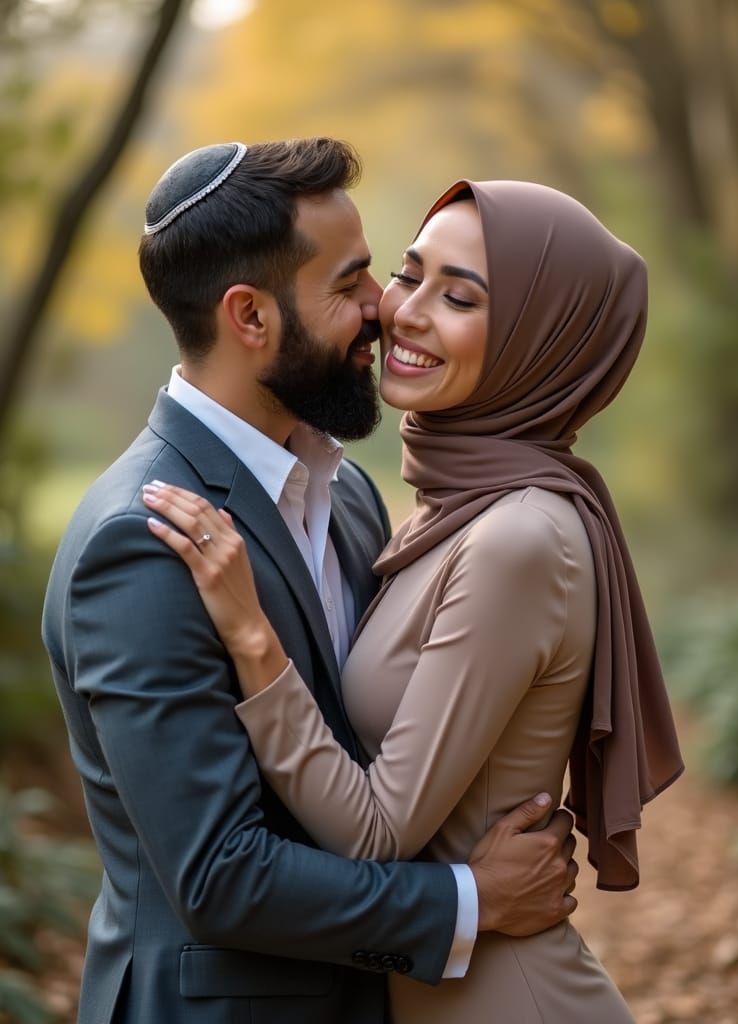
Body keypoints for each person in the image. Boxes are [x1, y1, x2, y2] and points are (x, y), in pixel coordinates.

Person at [42, 140, 580, 1024]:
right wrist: (466, 903)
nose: (385, 310)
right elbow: (220, 876)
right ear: (250, 316)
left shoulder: (353, 495)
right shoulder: (143, 541)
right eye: (351, 283)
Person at [143, 178, 686, 1022]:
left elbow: (375, 831)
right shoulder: (439, 509)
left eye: (460, 296)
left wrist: (253, 638)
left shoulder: (520, 538)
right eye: (409, 273)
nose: (403, 312)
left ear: (540, 342)